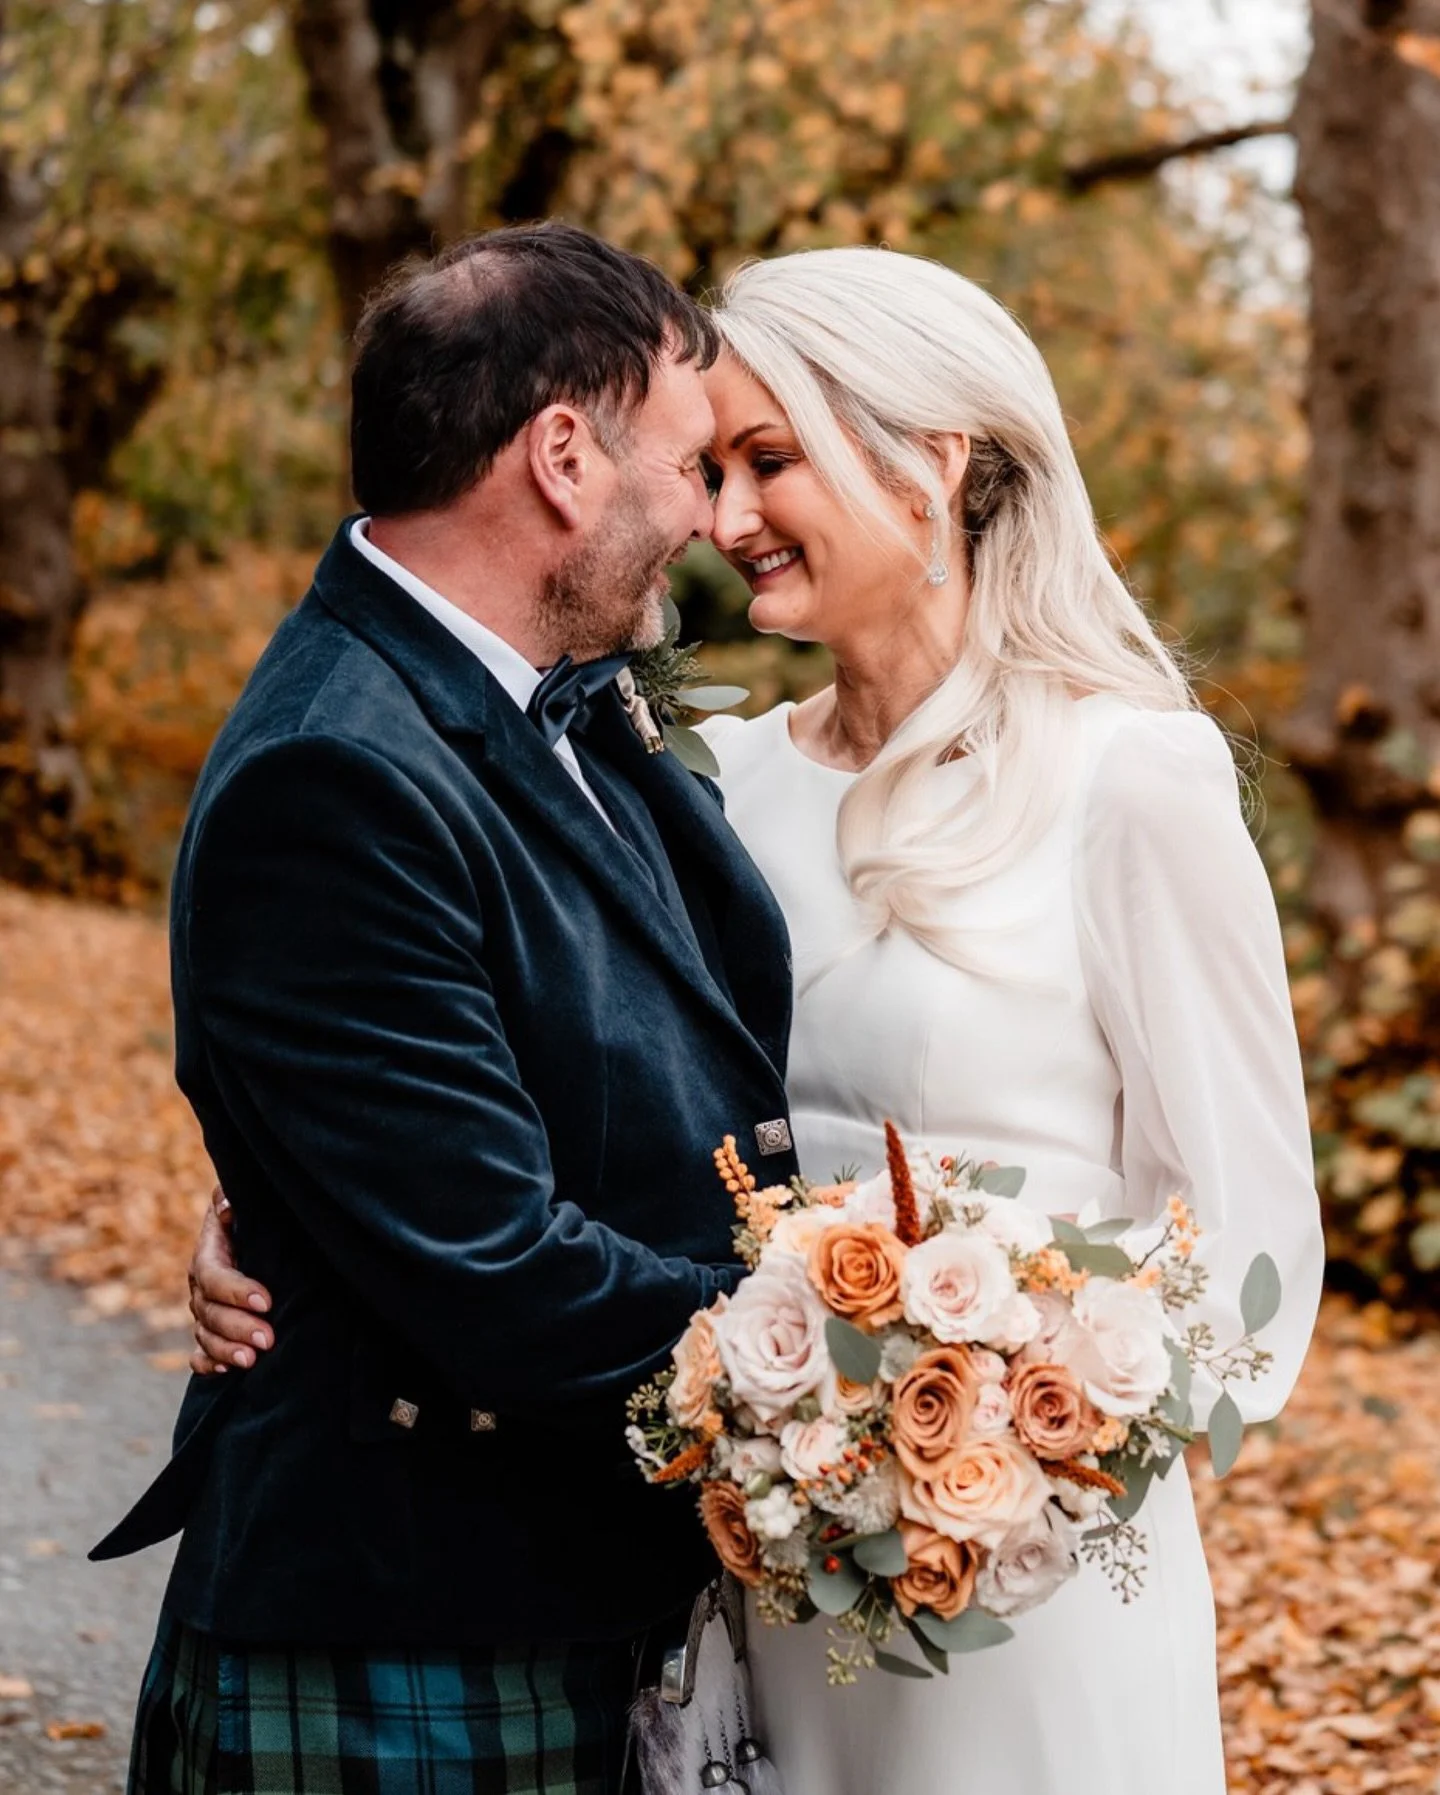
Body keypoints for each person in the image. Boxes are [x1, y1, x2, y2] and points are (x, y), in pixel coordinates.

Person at [187, 243, 1324, 1795]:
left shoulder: (1134, 779)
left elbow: (1248, 1259)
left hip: (1022, 1587)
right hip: (754, 1565)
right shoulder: (720, 780)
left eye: (765, 462)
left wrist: (1017, 1435)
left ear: (934, 462)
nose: (720, 521)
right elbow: (537, 1079)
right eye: (708, 465)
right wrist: (299, 1209)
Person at [92, 221, 802, 1795]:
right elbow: (489, 1266)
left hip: (570, 1591)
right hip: (409, 1626)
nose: (704, 515)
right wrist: (838, 1349)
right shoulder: (331, 772)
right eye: (688, 464)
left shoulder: (549, 693)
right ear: (562, 455)